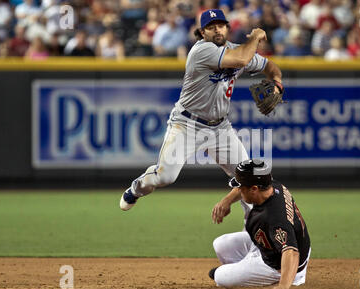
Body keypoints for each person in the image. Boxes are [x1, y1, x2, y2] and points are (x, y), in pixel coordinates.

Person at [119, 9, 283, 211]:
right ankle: (137, 187)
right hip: (187, 124)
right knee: (165, 176)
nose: (217, 30)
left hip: (220, 127)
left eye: (220, 26)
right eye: (211, 27)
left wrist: (277, 83)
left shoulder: (238, 49)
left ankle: (254, 234)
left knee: (248, 178)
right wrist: (256, 37)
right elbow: (241, 60)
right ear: (202, 32)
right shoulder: (201, 50)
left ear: (227, 28)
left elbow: (270, 66)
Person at [209, 159, 311, 289]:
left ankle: (281, 277)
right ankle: (247, 269)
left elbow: (291, 251)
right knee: (221, 244)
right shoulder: (271, 186)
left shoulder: (275, 217)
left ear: (254, 189)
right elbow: (245, 188)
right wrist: (226, 201)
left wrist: (284, 286)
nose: (238, 189)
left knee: (220, 276)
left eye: (241, 187)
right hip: (268, 244)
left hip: (278, 264)